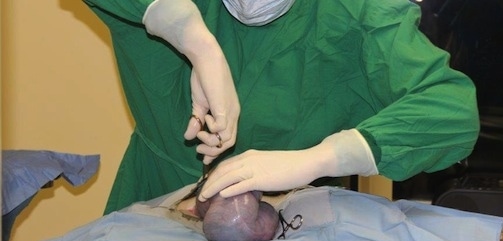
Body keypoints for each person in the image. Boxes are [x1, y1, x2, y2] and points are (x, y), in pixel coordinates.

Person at [83, 0, 480, 214]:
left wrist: (320, 159)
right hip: (149, 213)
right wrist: (192, 36)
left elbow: (452, 111)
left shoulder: (357, 12)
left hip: (288, 230)